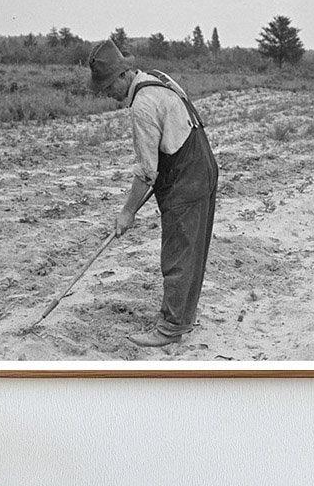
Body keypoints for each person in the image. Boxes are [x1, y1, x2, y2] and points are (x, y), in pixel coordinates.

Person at [88, 38, 218, 348]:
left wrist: (127, 211)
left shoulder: (142, 106)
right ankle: (182, 318)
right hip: (203, 168)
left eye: (109, 87)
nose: (109, 95)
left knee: (178, 255)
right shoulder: (158, 78)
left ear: (124, 74)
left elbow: (147, 171)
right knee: (191, 252)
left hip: (186, 180)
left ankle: (170, 328)